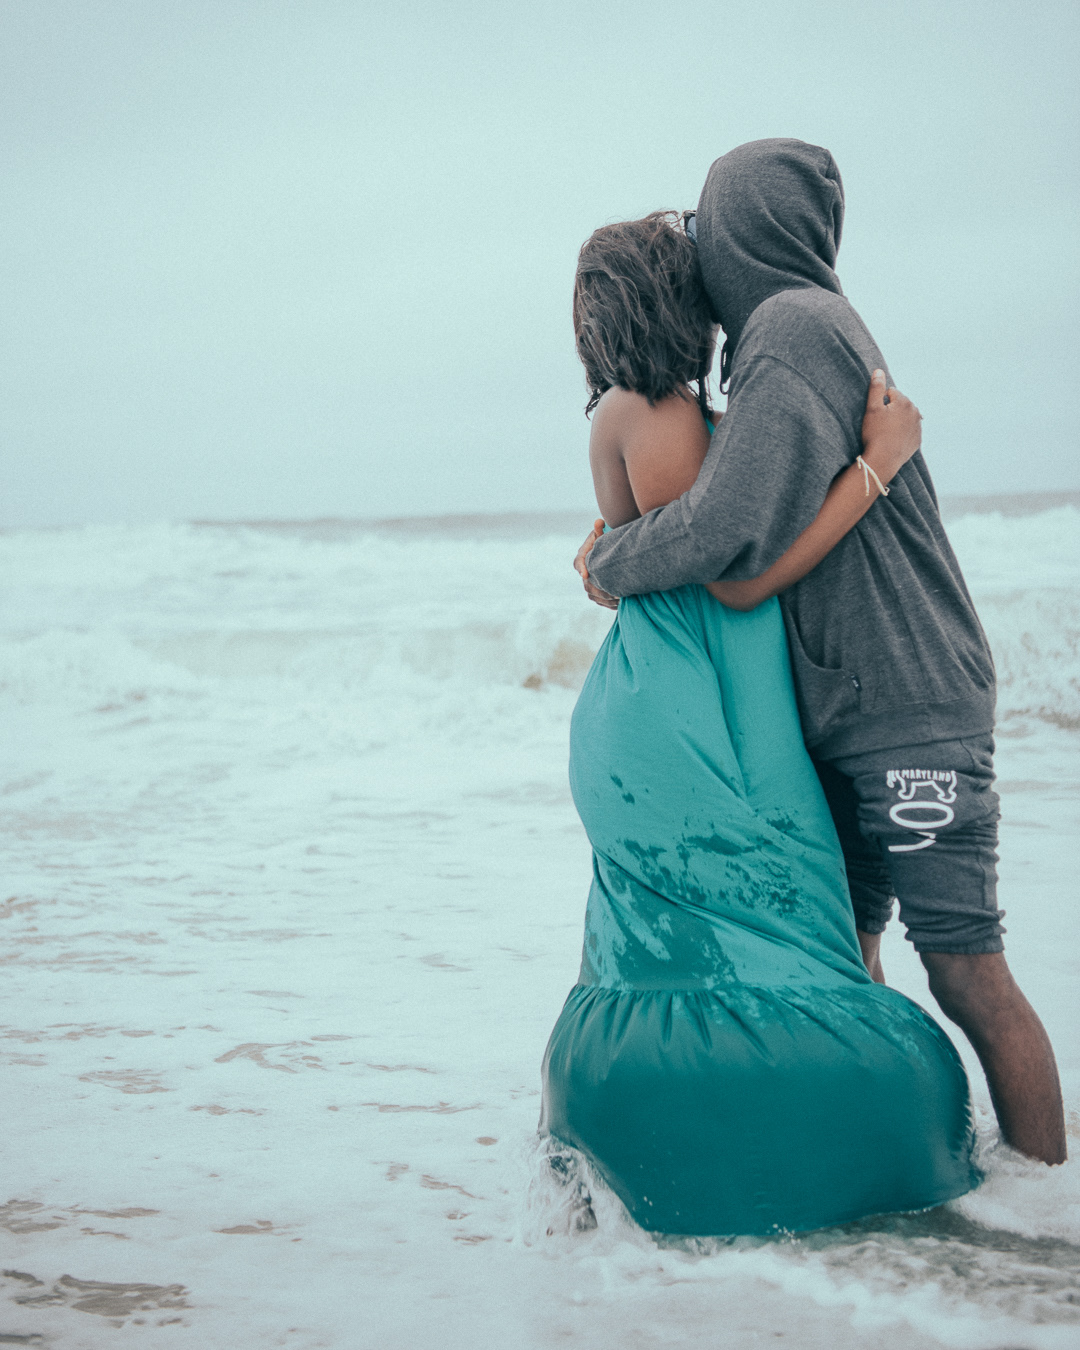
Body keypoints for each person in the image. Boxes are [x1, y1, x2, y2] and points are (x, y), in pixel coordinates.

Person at [575, 140, 1066, 1166]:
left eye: (707, 225)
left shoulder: (793, 328)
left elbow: (724, 536)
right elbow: (743, 527)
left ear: (746, 229)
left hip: (906, 704)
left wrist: (610, 557)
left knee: (966, 971)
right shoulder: (776, 345)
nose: (697, 250)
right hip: (847, 709)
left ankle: (1046, 1205)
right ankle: (886, 1178)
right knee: (846, 966)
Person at [541, 211, 980, 1238]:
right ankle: (775, 1172)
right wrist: (874, 468)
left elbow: (660, 542)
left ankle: (661, 1175)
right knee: (755, 906)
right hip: (698, 691)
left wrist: (607, 555)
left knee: (716, 924)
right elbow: (735, 566)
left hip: (681, 687)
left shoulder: (650, 408)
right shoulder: (655, 410)